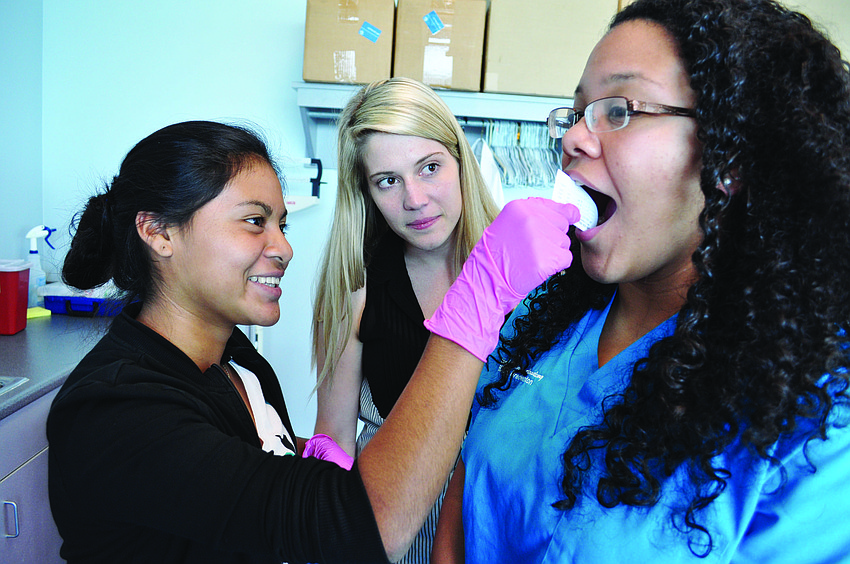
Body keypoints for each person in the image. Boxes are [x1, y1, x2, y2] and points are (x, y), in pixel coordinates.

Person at [47, 119, 580, 563]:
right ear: (159, 232)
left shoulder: (236, 363)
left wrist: (313, 454)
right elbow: (363, 523)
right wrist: (477, 301)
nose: (283, 248)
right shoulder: (118, 410)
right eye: (254, 222)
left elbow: (242, 487)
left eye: (281, 224)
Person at [431, 0, 850, 562]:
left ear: (731, 156)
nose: (575, 138)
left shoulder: (816, 418)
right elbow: (462, 504)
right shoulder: (539, 321)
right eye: (577, 113)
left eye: (618, 110)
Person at [311, 77, 500, 563]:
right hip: (396, 527)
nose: (414, 199)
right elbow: (333, 440)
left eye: (430, 168)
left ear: (460, 162)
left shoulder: (518, 270)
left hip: (494, 520)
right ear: (366, 192)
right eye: (388, 180)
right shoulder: (356, 286)